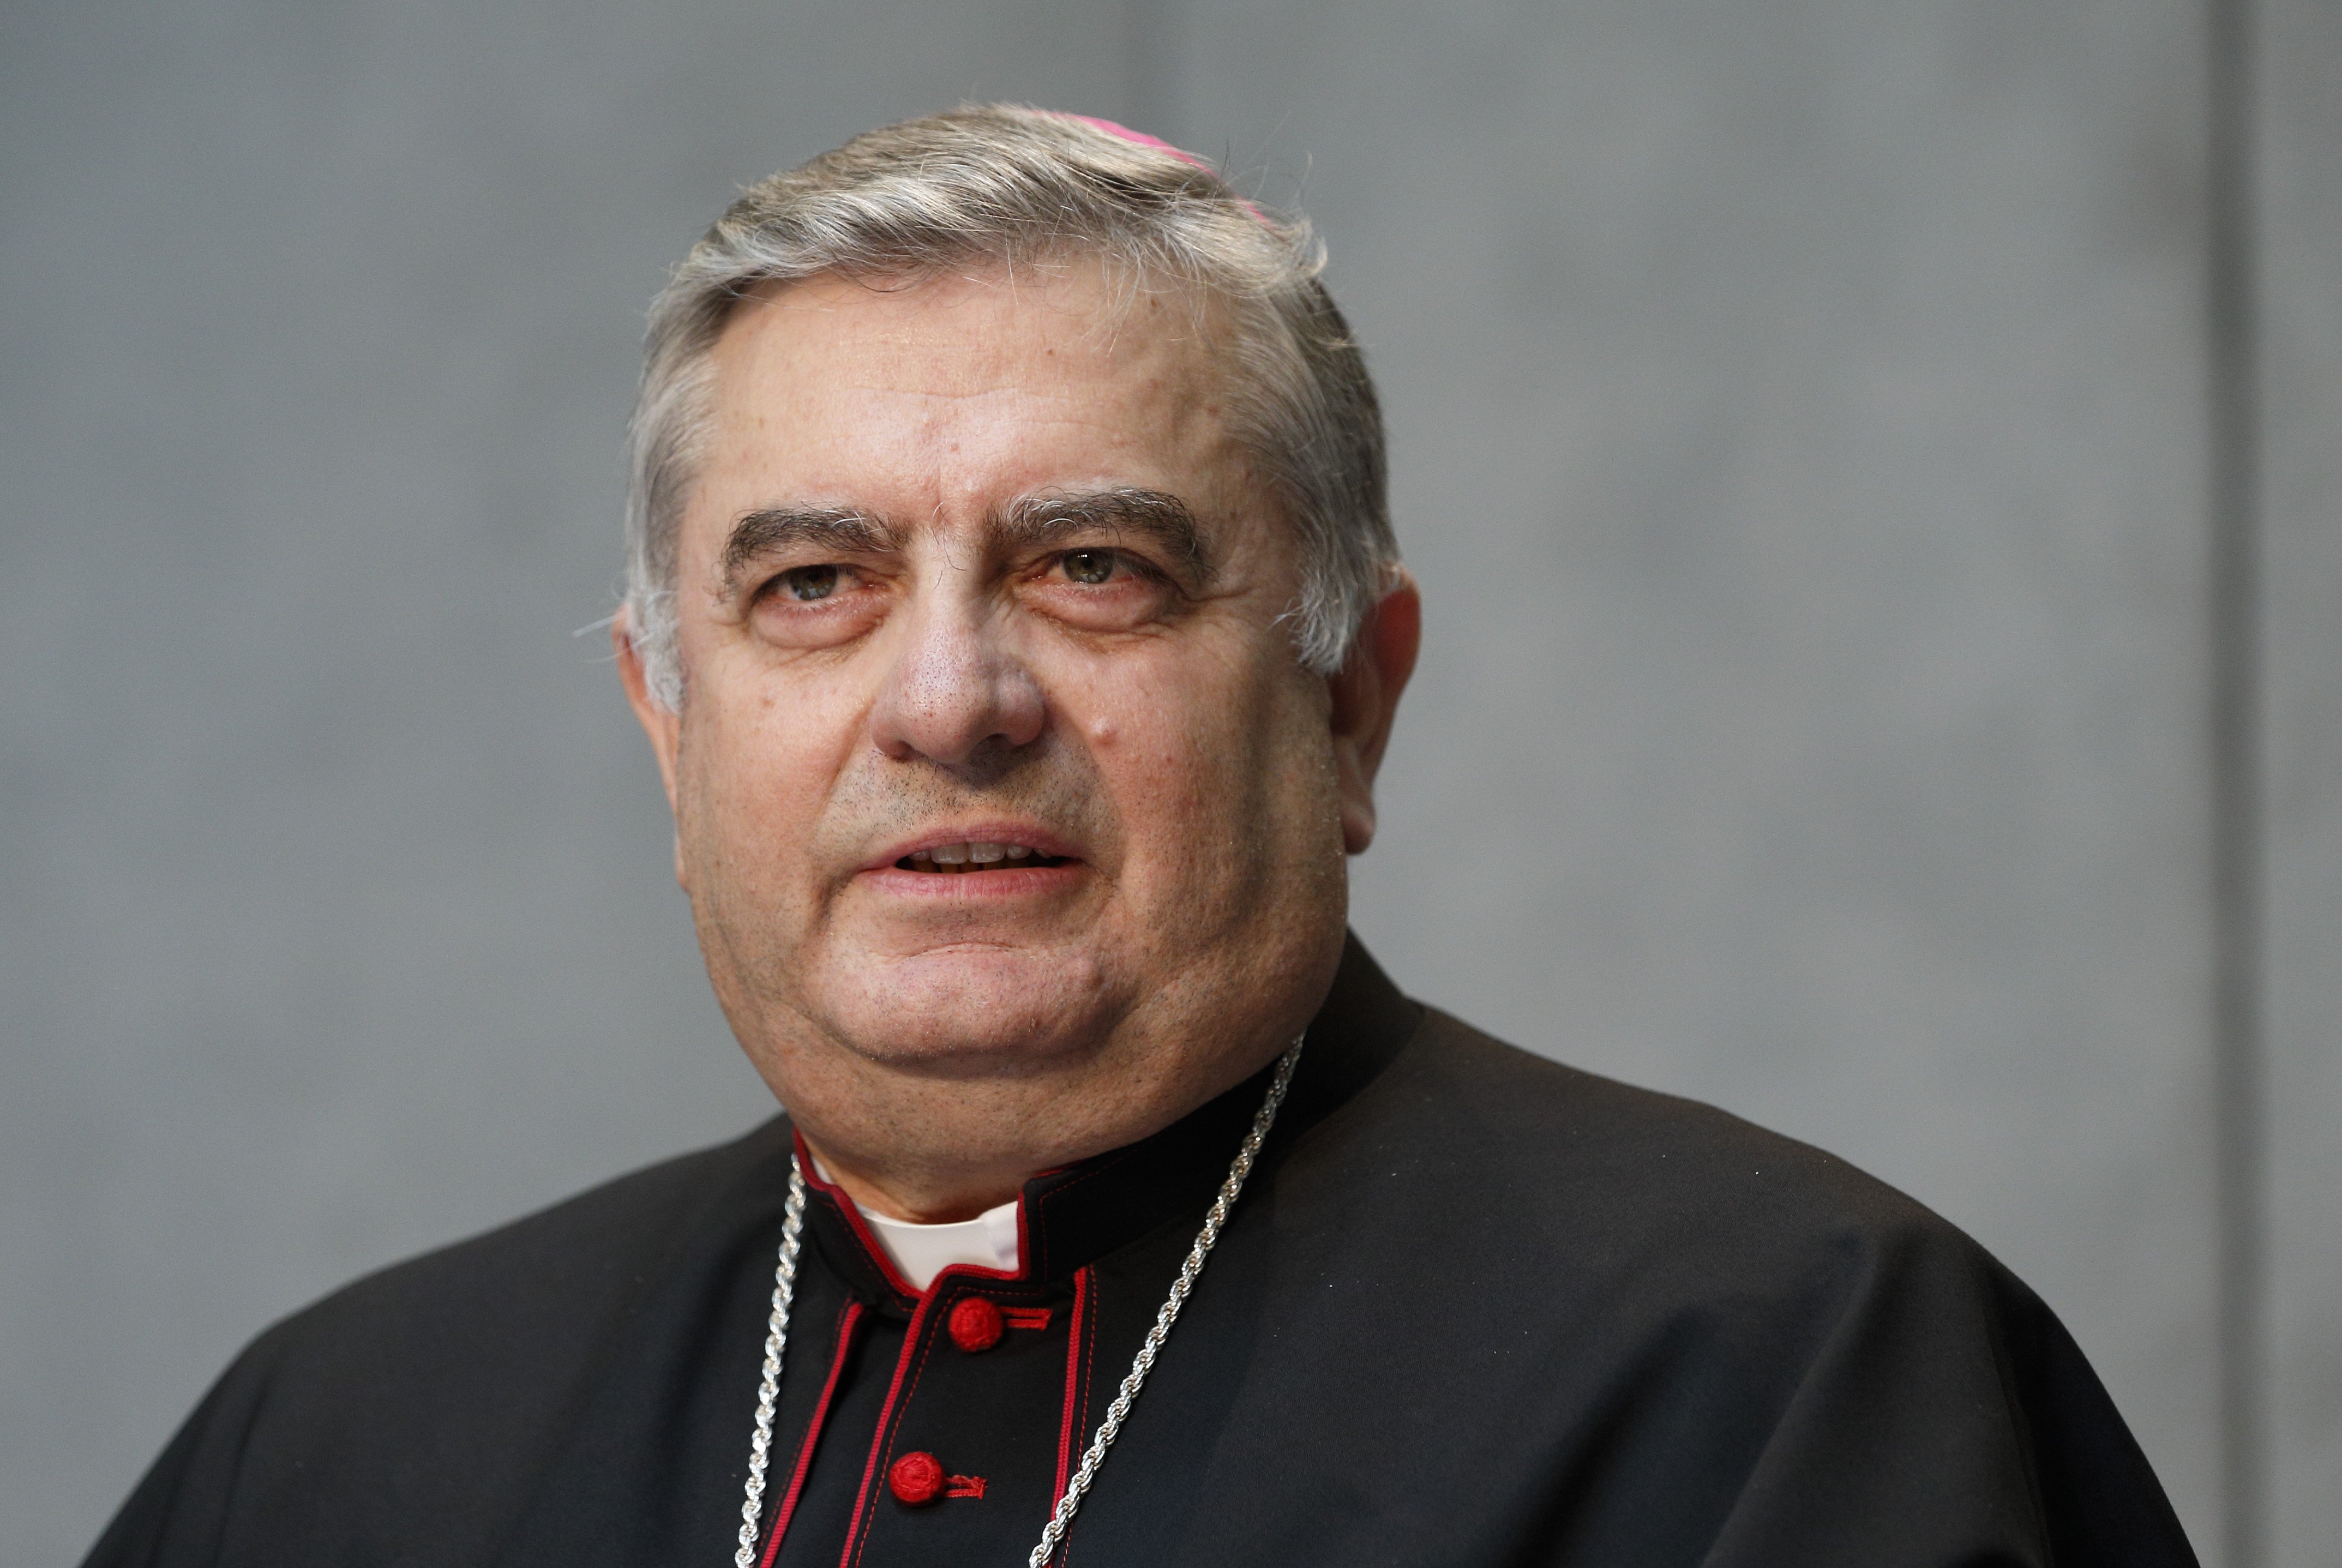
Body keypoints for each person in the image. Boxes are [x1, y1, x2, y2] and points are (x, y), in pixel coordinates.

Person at [83, 105, 2197, 1568]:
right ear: (669, 722)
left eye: (1093, 565)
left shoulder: (1779, 1372)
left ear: (1352, 692)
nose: (950, 697)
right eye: (811, 583)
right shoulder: (350, 1440)